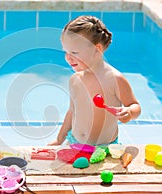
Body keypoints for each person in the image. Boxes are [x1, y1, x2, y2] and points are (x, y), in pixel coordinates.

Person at [48, 15, 141, 146]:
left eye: (74, 52)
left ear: (97, 50)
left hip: (104, 147)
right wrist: (59, 139)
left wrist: (130, 112)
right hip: (74, 142)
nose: (68, 58)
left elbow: (135, 105)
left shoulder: (114, 79)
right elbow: (72, 112)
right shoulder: (75, 80)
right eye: (66, 52)